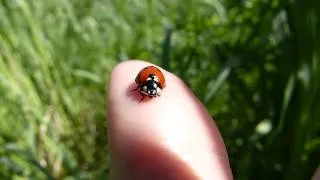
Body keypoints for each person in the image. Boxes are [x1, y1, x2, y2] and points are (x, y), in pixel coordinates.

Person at [107, 60, 234, 180]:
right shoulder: (146, 82)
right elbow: (141, 86)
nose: (150, 94)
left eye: (152, 92)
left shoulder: (152, 83)